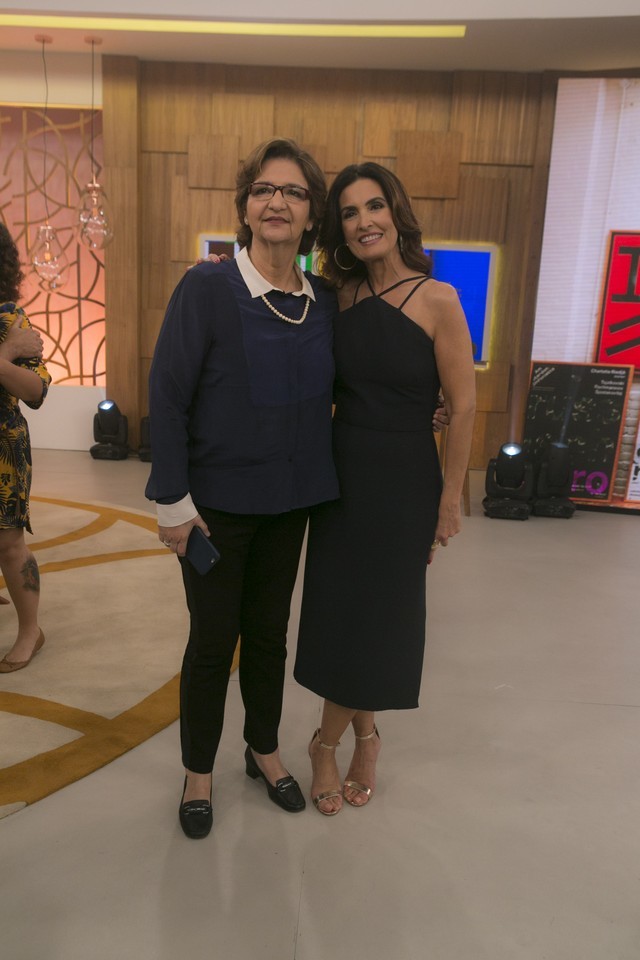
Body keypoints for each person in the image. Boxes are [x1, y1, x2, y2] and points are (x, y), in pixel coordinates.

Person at [145, 138, 339, 838]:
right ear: (246, 207)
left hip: (290, 506)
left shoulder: (323, 301)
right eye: (263, 190)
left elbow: (356, 385)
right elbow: (167, 395)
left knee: (267, 638)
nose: (276, 201)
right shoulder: (208, 288)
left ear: (311, 215)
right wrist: (172, 503)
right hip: (214, 512)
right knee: (210, 643)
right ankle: (198, 771)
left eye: (293, 192)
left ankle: (263, 749)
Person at [293, 162, 476, 815]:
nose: (364, 221)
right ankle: (366, 737)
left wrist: (449, 502)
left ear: (396, 213)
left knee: (380, 618)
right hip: (341, 478)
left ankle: (325, 744)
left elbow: (463, 406)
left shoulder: (439, 299)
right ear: (339, 228)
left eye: (374, 206)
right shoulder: (335, 298)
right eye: (349, 212)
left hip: (404, 482)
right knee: (344, 615)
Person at [0, 223, 50, 674]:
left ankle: (30, 631)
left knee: (8, 543)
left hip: (3, 446)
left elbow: (35, 390)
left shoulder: (9, 317)